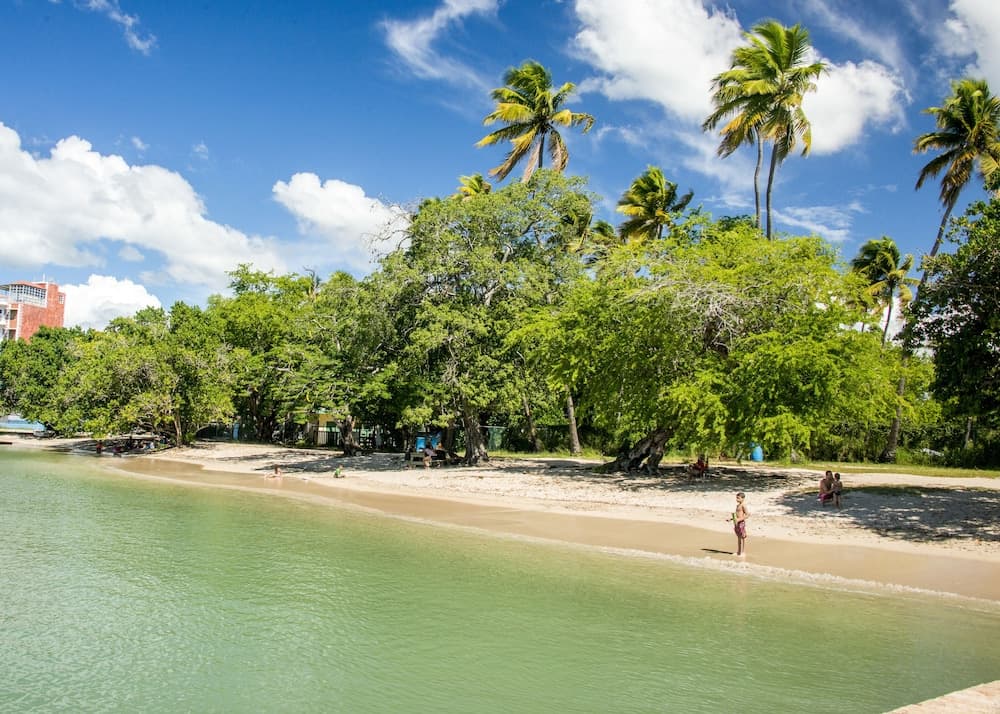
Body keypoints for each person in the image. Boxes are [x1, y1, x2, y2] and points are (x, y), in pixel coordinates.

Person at [729, 492, 749, 557]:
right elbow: (736, 515)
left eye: (738, 498)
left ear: (743, 498)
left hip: (741, 523)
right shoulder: (737, 505)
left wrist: (740, 519)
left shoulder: (743, 505)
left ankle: (743, 552)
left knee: (743, 537)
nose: (737, 499)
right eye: (736, 498)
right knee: (738, 537)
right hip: (736, 523)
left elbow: (747, 514)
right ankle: (738, 552)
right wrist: (731, 519)